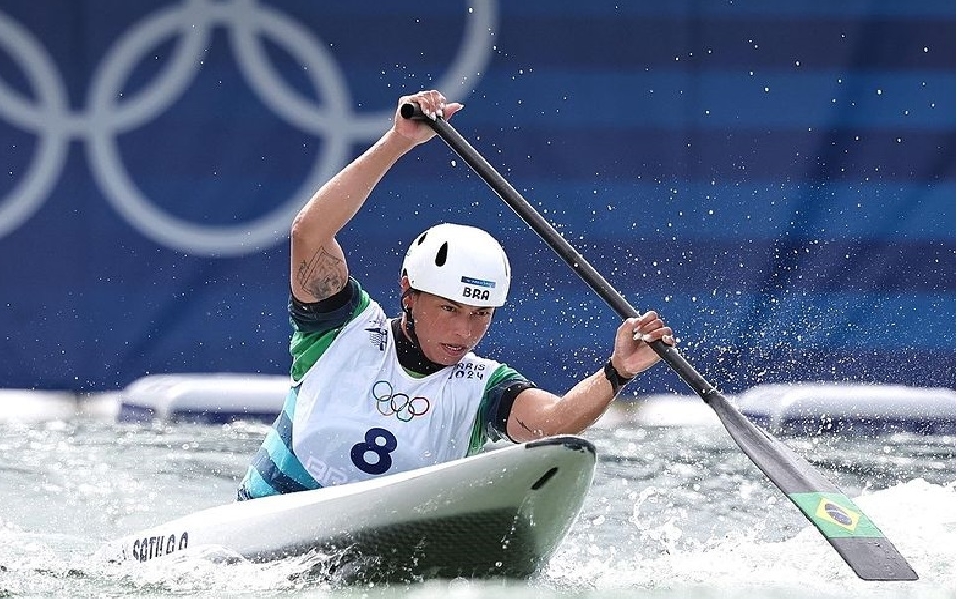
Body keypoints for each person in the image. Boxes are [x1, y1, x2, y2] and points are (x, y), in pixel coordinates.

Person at [237, 90, 676, 500]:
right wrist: (398, 141)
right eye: (449, 308)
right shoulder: (340, 329)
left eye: (480, 314)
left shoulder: (484, 387)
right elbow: (309, 233)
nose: (464, 331)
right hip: (251, 541)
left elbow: (549, 426)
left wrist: (617, 372)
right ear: (409, 292)